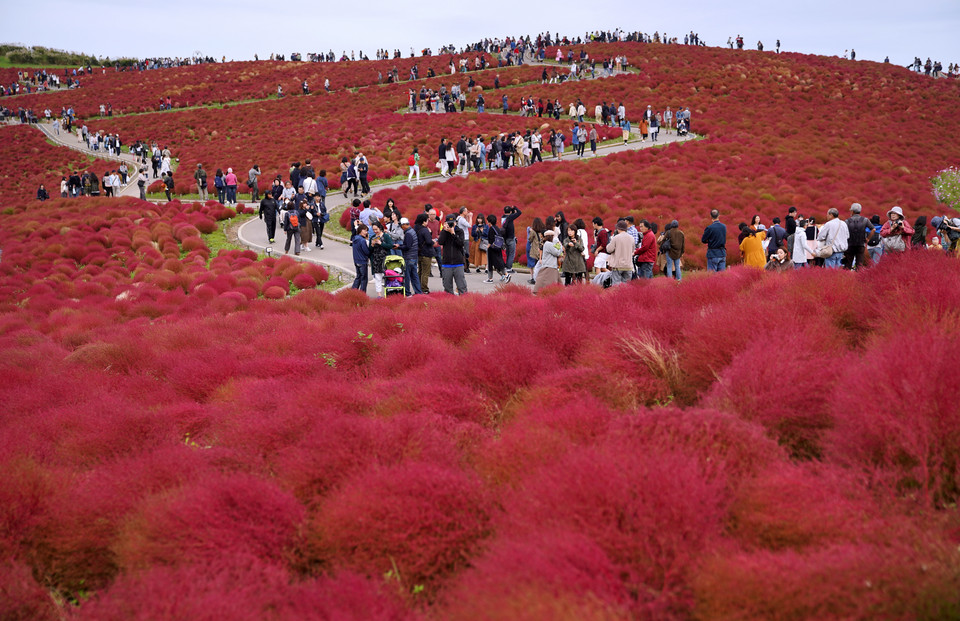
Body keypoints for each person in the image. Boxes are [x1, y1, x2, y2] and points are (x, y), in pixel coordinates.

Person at [438, 215, 468, 295]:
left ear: (456, 222)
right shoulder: (444, 232)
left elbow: (461, 243)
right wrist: (445, 231)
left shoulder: (460, 231)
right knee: (447, 287)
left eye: (453, 223)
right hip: (447, 263)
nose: (451, 224)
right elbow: (440, 242)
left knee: (462, 286)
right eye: (449, 223)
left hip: (458, 263)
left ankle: (465, 302)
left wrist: (453, 234)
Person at [843, 203, 872, 270]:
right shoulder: (865, 220)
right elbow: (873, 229)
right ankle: (858, 277)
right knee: (859, 264)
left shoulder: (847, 221)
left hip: (850, 245)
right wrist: (868, 238)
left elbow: (844, 232)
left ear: (852, 211)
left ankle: (846, 277)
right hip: (861, 244)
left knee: (848, 263)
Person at [369, 221, 394, 297]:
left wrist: (381, 243)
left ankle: (388, 293)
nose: (375, 231)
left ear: (380, 228)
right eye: (373, 229)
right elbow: (370, 250)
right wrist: (372, 245)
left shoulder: (386, 236)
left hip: (385, 259)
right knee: (378, 278)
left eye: (376, 229)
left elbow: (390, 245)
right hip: (376, 260)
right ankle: (379, 294)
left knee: (387, 276)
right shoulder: (372, 237)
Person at [398, 217, 422, 295]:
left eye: (401, 225)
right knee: (414, 276)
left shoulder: (408, 233)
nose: (401, 227)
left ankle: (407, 293)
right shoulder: (412, 231)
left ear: (404, 225)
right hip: (414, 257)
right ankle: (418, 292)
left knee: (407, 277)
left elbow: (407, 246)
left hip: (408, 257)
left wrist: (398, 247)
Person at [485, 214, 511, 283]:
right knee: (499, 262)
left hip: (492, 249)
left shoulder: (491, 229)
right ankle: (503, 275)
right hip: (498, 248)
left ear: (489, 222)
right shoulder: (496, 228)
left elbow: (490, 240)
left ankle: (504, 275)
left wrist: (488, 246)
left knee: (491, 263)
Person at [414, 213, 435, 294]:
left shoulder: (415, 229)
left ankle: (418, 287)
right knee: (425, 273)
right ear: (423, 221)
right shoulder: (425, 230)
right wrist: (430, 234)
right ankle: (424, 289)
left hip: (419, 253)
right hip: (426, 253)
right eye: (427, 220)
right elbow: (429, 241)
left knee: (420, 271)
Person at [501, 205, 522, 272]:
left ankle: (506, 267)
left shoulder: (503, 218)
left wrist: (512, 211)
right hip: (510, 238)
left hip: (505, 238)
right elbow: (519, 212)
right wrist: (515, 207)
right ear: (510, 212)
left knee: (507, 253)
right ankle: (509, 268)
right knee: (511, 254)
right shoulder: (510, 217)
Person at [351, 224, 371, 293]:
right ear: (360, 230)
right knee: (364, 279)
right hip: (362, 261)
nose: (366, 232)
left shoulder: (355, 238)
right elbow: (366, 251)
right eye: (365, 231)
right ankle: (362, 294)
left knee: (358, 277)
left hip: (356, 260)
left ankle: (353, 292)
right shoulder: (362, 240)